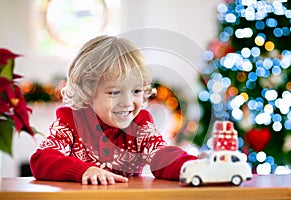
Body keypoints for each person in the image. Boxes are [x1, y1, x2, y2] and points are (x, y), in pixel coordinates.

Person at [30, 35, 198, 185]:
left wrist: (191, 166)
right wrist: (83, 171)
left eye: (136, 91)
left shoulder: (139, 125)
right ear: (88, 93)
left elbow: (162, 155)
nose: (127, 102)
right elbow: (42, 160)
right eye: (114, 92)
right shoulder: (71, 122)